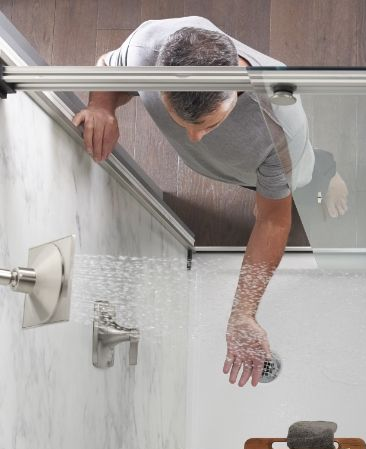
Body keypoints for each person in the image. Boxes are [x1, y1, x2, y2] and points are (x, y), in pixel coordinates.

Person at [73, 16, 348, 387]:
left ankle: (331, 175)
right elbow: (110, 67)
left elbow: (272, 221)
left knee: (303, 178)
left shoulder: (278, 126)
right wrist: (102, 105)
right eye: (182, 123)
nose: (194, 138)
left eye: (209, 125)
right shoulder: (147, 48)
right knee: (258, 185)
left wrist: (243, 313)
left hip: (284, 161)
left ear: (236, 88)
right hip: (241, 167)